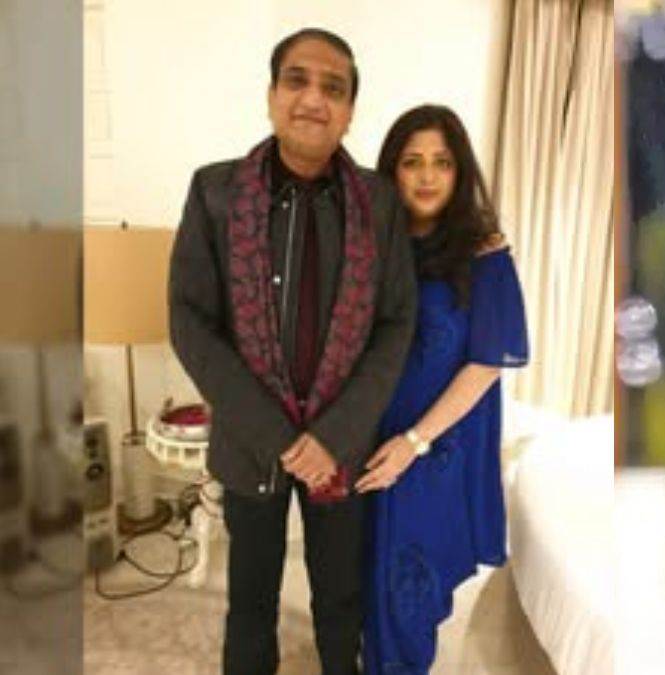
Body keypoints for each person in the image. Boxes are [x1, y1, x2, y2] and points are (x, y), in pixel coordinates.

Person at [168, 28, 417, 675]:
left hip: (343, 447)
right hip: (252, 444)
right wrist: (280, 437)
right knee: (250, 601)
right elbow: (190, 322)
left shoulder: (379, 204)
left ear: (350, 110)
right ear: (271, 95)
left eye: (333, 88)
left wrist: (331, 437)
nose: (313, 99)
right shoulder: (215, 192)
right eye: (297, 80)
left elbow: (396, 323)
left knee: (340, 596)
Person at [359, 104, 529, 674]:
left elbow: (486, 364)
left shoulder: (485, 254)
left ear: (460, 172)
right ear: (392, 171)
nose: (427, 176)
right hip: (369, 435)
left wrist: (413, 442)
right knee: (366, 578)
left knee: (410, 585)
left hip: (435, 446)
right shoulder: (372, 246)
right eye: (412, 162)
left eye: (442, 162)